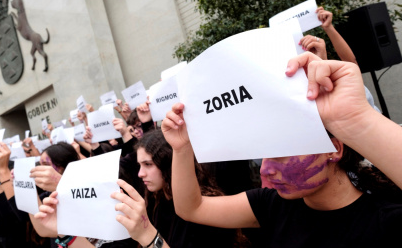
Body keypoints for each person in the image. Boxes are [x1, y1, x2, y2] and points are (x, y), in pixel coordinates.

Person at [160, 52, 402, 247]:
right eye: (264, 154)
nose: (265, 169)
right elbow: (191, 208)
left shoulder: (386, 221)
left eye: (281, 153)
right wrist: (182, 149)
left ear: (334, 150)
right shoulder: (273, 205)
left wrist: (355, 118)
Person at [35, 129, 246, 248]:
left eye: (148, 165)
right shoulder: (154, 201)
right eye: (139, 165)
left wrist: (148, 235)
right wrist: (65, 232)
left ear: (168, 163)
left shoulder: (202, 208)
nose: (140, 174)